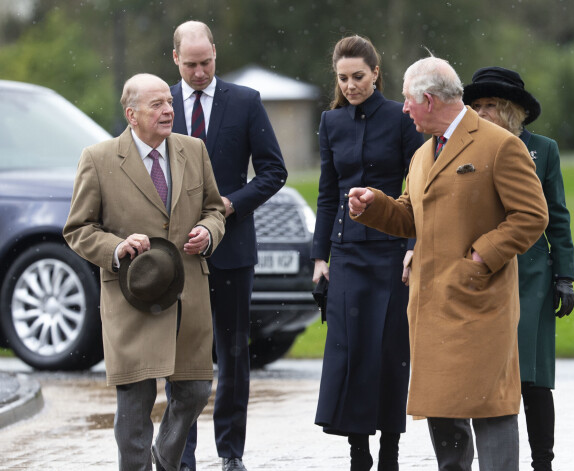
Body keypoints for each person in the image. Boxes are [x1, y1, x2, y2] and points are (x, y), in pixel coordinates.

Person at [348, 56, 549, 471]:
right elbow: (410, 215)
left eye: (407, 100)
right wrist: (375, 206)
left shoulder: (499, 144)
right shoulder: (423, 154)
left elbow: (532, 215)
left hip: (480, 302)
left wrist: (481, 257)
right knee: (442, 406)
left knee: (489, 405)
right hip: (431, 307)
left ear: (427, 98)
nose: (402, 109)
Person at [63, 73, 226, 471]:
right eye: (156, 105)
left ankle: (164, 458)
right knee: (134, 406)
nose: (168, 110)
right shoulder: (98, 159)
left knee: (195, 390)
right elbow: (78, 229)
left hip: (187, 295)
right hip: (131, 297)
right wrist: (115, 247)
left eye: (168, 102)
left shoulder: (194, 149)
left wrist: (209, 230)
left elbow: (214, 209)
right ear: (131, 113)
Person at [169, 20, 287, 471]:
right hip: (177, 252)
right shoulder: (161, 103)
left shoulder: (245, 102)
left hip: (233, 249)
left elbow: (274, 171)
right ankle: (183, 452)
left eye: (207, 62)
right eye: (191, 64)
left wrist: (233, 204)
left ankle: (230, 452)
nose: (200, 72)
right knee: (183, 355)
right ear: (175, 58)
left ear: (215, 53)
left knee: (233, 352)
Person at [312, 35, 424, 471]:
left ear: (376, 73)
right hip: (346, 254)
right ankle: (359, 453)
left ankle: (390, 455)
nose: (350, 85)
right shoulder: (330, 122)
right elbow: (326, 194)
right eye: (342, 79)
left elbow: (418, 189)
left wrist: (413, 247)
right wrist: (319, 258)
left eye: (358, 76)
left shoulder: (401, 119)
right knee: (351, 353)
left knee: (391, 353)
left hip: (391, 250)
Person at [463, 66, 574, 471]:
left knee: (533, 375)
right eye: (476, 105)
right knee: (490, 374)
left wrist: (565, 276)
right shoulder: (468, 149)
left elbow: (557, 216)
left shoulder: (543, 149)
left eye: (490, 104)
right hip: (483, 271)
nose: (482, 112)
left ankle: (542, 461)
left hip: (532, 276)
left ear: (511, 109)